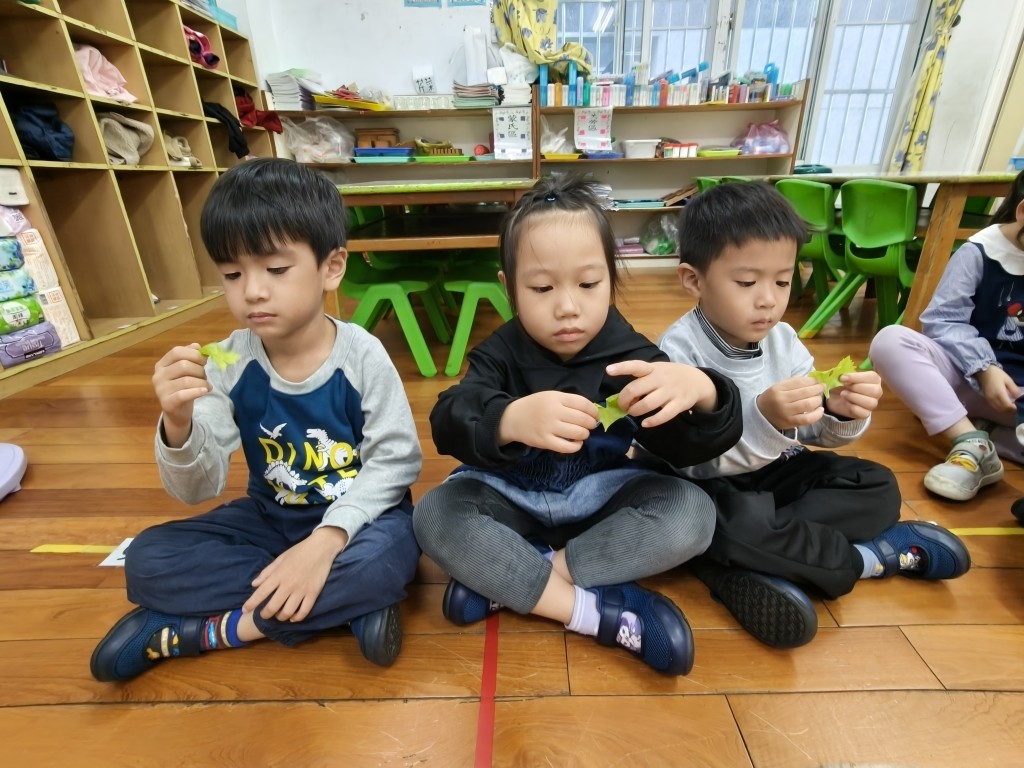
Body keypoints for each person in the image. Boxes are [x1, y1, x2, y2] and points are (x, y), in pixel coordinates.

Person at [90, 159, 422, 682]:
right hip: (270, 520)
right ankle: (343, 604)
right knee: (147, 558)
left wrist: (325, 542)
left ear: (331, 267)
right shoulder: (228, 361)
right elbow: (197, 490)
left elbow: (397, 461)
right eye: (232, 274)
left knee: (391, 556)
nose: (252, 291)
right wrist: (177, 422)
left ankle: (212, 631)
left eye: (276, 269)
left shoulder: (362, 354)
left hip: (360, 524)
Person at [413, 175, 744, 677]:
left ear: (610, 278)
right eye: (542, 288)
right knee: (435, 514)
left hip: (600, 498)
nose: (567, 307)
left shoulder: (630, 353)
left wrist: (705, 391)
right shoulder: (499, 353)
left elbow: (682, 447)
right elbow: (448, 418)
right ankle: (591, 612)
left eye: (588, 285)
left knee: (693, 513)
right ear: (509, 287)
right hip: (510, 497)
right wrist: (507, 420)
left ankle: (515, 576)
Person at [658, 181, 971, 649]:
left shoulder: (783, 340)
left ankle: (750, 561)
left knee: (877, 485)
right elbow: (690, 462)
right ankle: (870, 559)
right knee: (719, 524)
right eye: (747, 283)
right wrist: (764, 417)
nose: (768, 299)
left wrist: (838, 412)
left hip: (779, 475)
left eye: (783, 281)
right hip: (713, 484)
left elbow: (814, 432)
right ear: (694, 280)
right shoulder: (677, 352)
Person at [870, 170, 1024, 502]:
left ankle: (991, 433)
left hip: (1016, 402)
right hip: (971, 380)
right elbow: (943, 319)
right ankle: (971, 441)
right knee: (891, 341)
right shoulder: (981, 252)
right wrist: (985, 368)